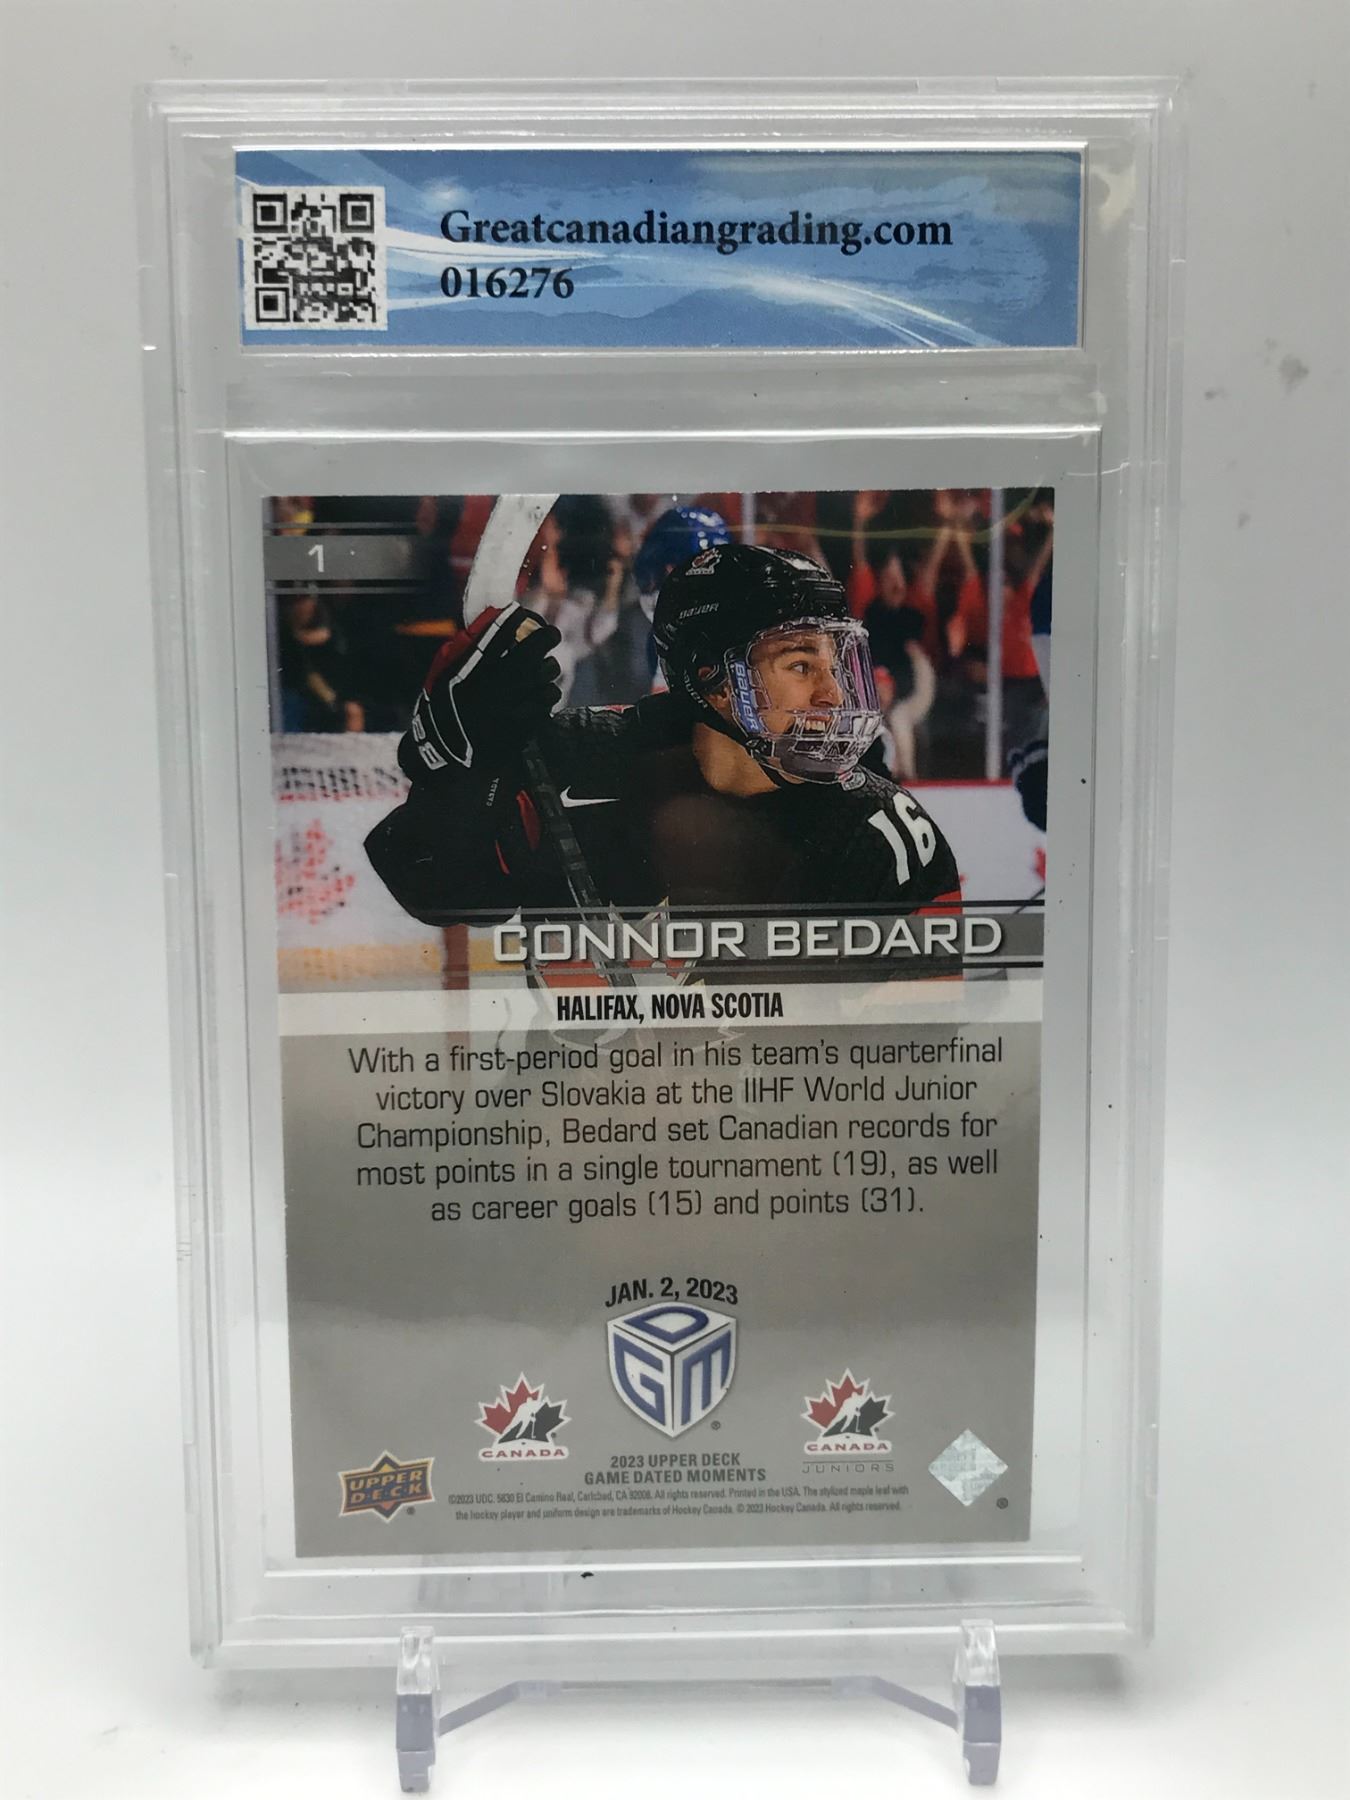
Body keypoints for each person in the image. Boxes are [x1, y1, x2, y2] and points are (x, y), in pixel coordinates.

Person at [365, 543, 960, 925]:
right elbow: (434, 885)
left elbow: (920, 1041)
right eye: (801, 665)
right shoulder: (582, 760)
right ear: (713, 680)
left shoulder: (884, 833)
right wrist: (454, 774)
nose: (832, 694)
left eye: (835, 665)